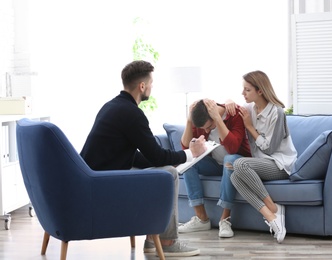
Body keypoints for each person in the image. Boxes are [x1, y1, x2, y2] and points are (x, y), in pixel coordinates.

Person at [80, 60, 207, 257]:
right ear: (142, 86)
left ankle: (151, 240)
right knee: (169, 175)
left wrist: (169, 159)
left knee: (164, 169)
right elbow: (156, 155)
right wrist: (191, 154)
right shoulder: (132, 114)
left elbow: (136, 157)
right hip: (103, 185)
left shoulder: (112, 106)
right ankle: (167, 241)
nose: (151, 88)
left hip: (95, 178)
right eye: (151, 84)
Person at [225, 70, 297, 244]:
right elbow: (225, 110)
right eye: (243, 89)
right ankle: (272, 214)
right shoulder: (248, 109)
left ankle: (273, 209)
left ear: (260, 91)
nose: (243, 93)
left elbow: (271, 149)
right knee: (234, 176)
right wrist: (228, 102)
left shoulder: (277, 112)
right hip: (261, 163)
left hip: (280, 164)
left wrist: (250, 127)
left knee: (240, 165)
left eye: (247, 90)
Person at [179, 98, 251, 238]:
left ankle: (225, 220)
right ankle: (202, 219)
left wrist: (218, 120)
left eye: (209, 127)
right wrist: (189, 121)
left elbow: (232, 148)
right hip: (215, 165)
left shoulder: (235, 114)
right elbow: (186, 147)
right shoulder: (202, 117)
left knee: (229, 159)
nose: (205, 131)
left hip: (237, 162)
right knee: (188, 162)